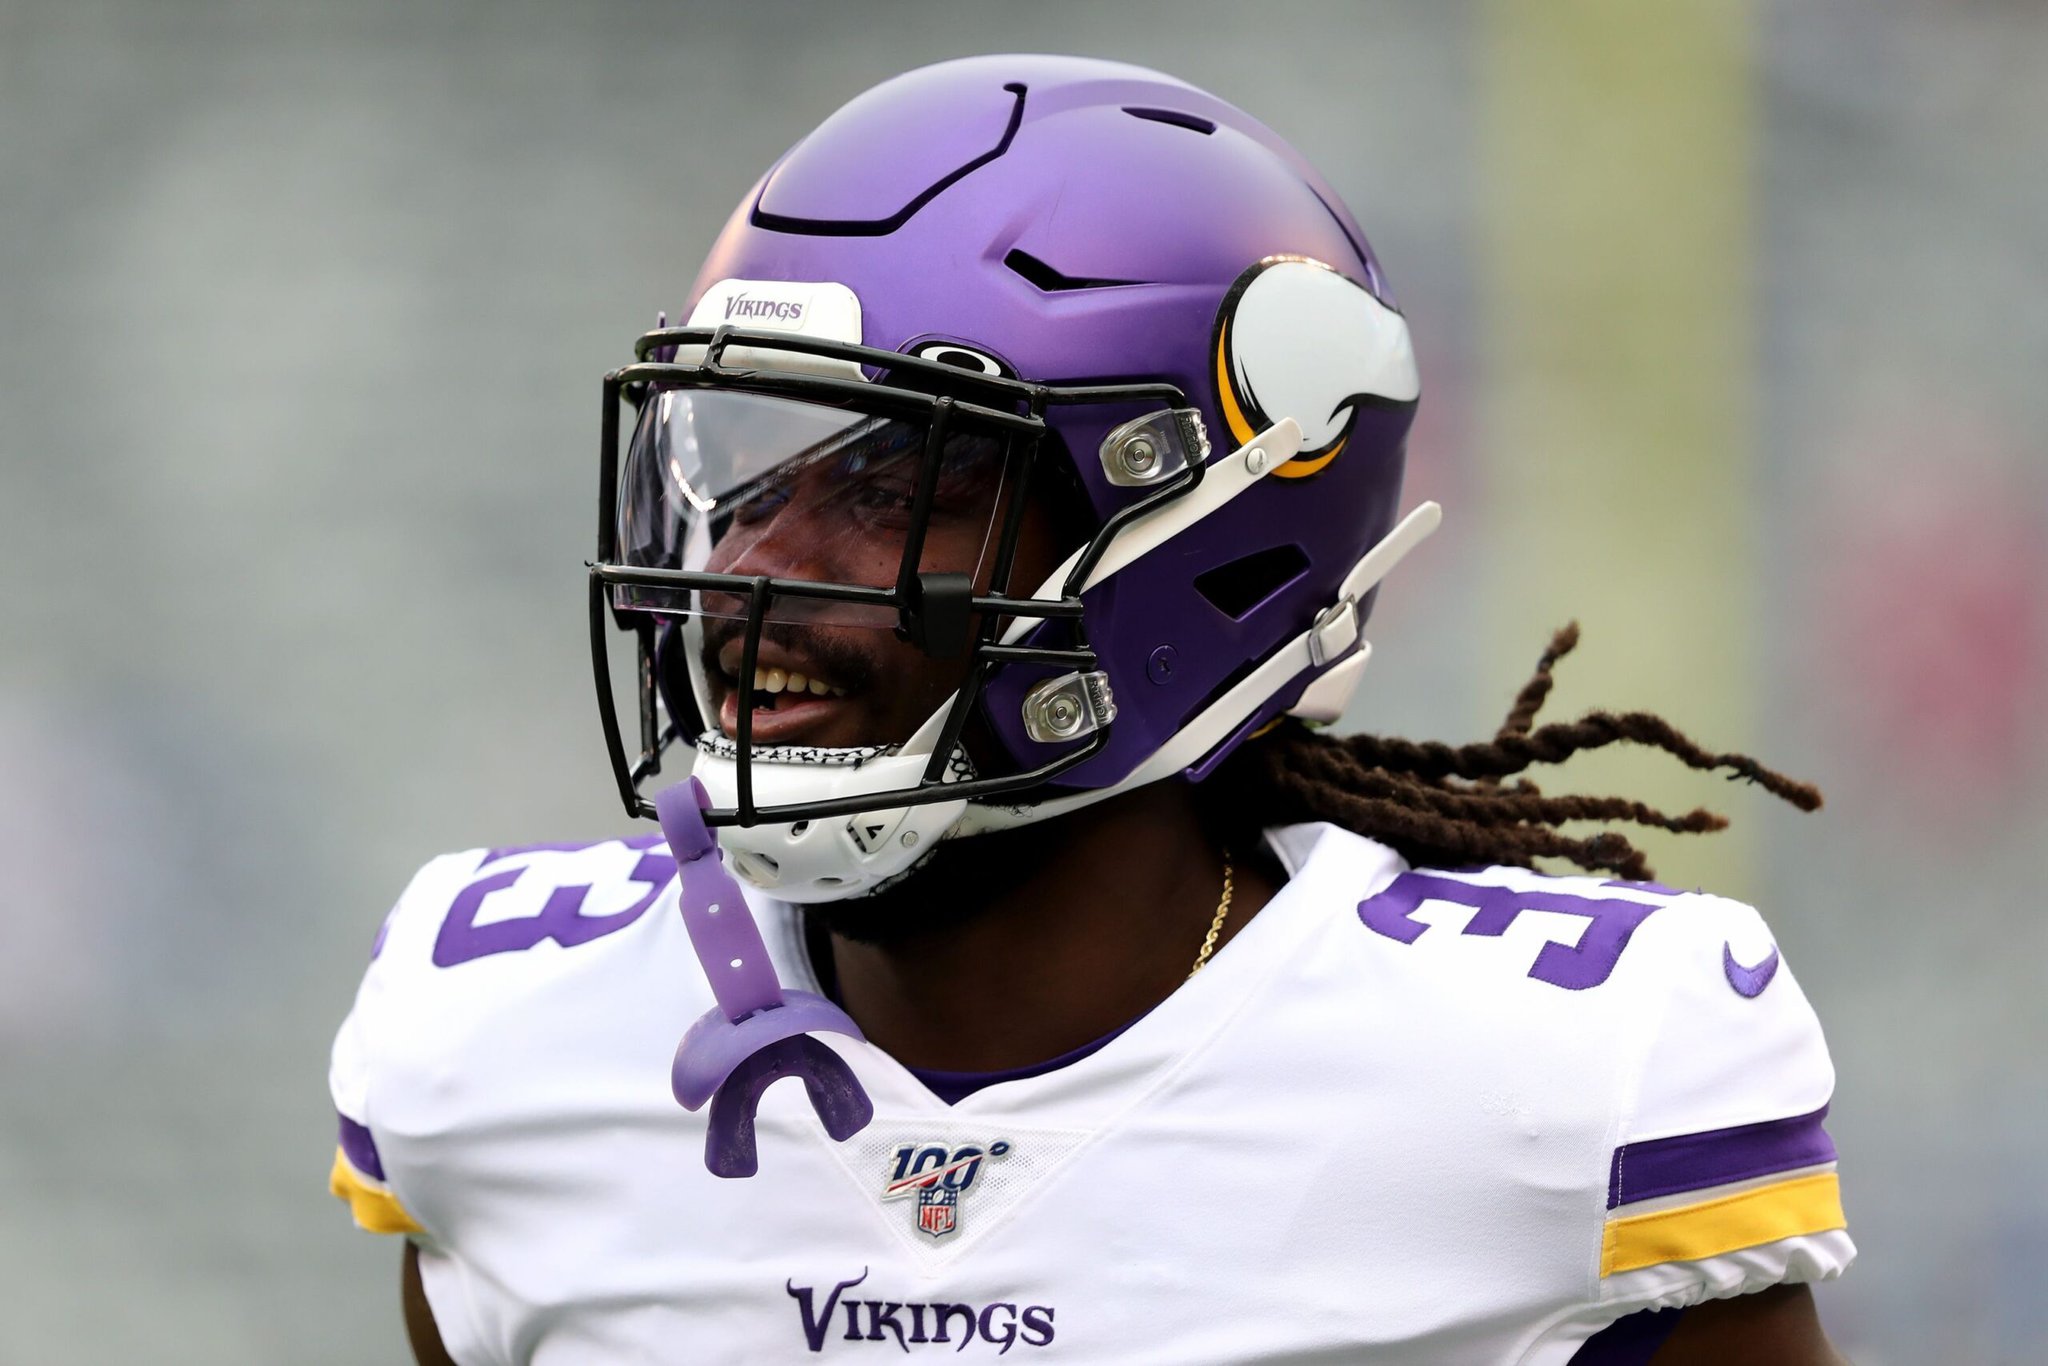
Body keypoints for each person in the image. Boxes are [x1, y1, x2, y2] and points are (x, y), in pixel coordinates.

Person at [328, 55, 1853, 1364]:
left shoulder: (1550, 1083)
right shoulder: (504, 1042)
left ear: (1203, 535)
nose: (748, 573)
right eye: (741, 466)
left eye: (887, 477)